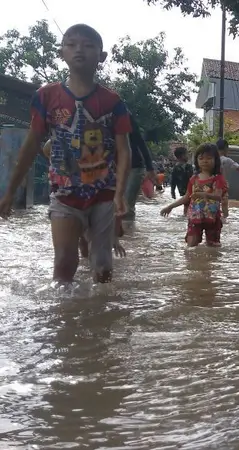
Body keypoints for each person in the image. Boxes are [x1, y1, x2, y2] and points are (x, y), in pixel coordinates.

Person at [0, 24, 131, 284]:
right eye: (71, 44)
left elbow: (123, 150)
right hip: (64, 193)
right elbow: (31, 143)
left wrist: (119, 194)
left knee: (103, 267)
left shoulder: (113, 102)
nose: (79, 49)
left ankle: (98, 317)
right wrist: (10, 191)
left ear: (101, 57)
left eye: (88, 45)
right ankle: (65, 319)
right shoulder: (46, 96)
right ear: (61, 53)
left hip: (104, 194)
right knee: (63, 264)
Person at [161, 143, 228, 247]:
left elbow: (218, 196)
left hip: (212, 218)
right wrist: (170, 207)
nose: (205, 161)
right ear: (196, 160)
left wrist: (204, 195)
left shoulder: (217, 178)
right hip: (195, 217)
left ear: (216, 160)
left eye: (209, 158)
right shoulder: (194, 179)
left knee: (213, 245)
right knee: (191, 245)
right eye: (201, 158)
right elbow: (186, 197)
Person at [123, 114, 156, 221]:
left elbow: (141, 143)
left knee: (127, 205)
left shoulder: (124, 114)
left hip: (135, 166)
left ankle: (129, 235)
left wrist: (150, 167)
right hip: (114, 167)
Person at [216, 138, 239, 220]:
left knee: (214, 203)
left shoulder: (213, 160)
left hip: (213, 185)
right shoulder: (228, 160)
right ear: (226, 148)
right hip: (223, 185)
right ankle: (225, 220)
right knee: (224, 204)